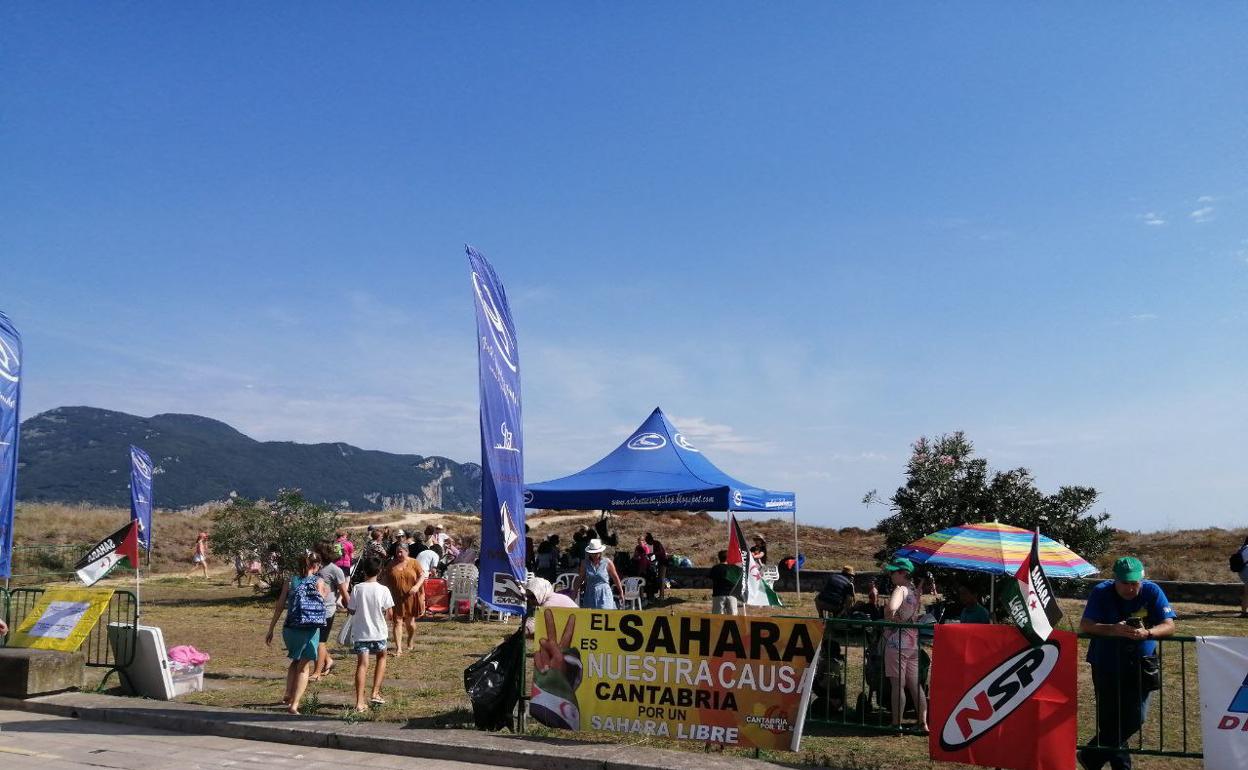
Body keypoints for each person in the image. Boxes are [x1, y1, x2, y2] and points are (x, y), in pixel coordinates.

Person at [1078, 556, 1177, 770]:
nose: (1130, 588)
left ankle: (1090, 756)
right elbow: (1086, 624)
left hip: (1142, 664)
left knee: (1135, 717)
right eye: (1125, 583)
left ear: (1142, 579)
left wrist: (1148, 632)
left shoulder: (1152, 591)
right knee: (1109, 720)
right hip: (1106, 662)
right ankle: (1121, 767)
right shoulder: (1101, 592)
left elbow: (1169, 626)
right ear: (1115, 579)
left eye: (1134, 583)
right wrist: (1112, 629)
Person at [264, 552, 329, 714]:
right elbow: (323, 601)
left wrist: (271, 628)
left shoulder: (290, 581)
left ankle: (288, 692)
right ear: (315, 565)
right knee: (304, 667)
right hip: (309, 628)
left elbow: (280, 605)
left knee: (295, 660)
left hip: (290, 628)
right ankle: (294, 704)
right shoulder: (319, 581)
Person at [882, 556, 927, 732]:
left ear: (902, 573)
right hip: (913, 643)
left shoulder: (900, 589)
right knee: (915, 685)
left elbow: (892, 608)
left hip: (896, 643)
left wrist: (888, 614)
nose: (891, 575)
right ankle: (923, 723)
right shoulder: (916, 593)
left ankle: (896, 723)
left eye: (893, 571)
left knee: (897, 686)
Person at [347, 556, 393, 711]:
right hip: (379, 631)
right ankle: (375, 692)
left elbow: (351, 609)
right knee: (381, 658)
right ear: (380, 571)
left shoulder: (357, 588)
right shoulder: (383, 589)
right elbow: (390, 613)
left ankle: (359, 702)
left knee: (362, 665)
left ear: (364, 570)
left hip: (361, 632)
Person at [311, 541, 350, 681]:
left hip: (327, 610)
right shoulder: (315, 567)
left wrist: (351, 608)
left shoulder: (334, 570)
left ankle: (317, 672)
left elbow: (344, 592)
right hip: (313, 609)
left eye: (315, 551)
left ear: (322, 553)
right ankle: (328, 661)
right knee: (314, 639)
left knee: (320, 641)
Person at [381, 545, 426, 654]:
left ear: (407, 551)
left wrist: (416, 587)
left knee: (410, 623)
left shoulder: (414, 562)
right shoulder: (391, 564)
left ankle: (410, 639)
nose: (399, 554)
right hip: (396, 597)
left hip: (410, 597)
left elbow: (422, 575)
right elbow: (385, 578)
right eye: (397, 552)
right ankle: (399, 648)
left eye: (401, 552)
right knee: (397, 622)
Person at [577, 538, 624, 609]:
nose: (594, 555)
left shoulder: (607, 562)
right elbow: (580, 579)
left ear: (600, 552)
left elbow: (615, 578)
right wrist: (574, 592)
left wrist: (621, 592)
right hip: (590, 594)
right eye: (592, 553)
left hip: (604, 593)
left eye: (596, 553)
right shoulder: (584, 563)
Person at [708, 550, 740, 615]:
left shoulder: (715, 568)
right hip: (732, 594)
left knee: (717, 617)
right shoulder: (733, 568)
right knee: (733, 617)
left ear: (719, 558)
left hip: (718, 594)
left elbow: (711, 579)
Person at [644, 533, 668, 601]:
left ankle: (662, 596)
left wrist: (653, 554)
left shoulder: (657, 543)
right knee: (659, 578)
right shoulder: (652, 545)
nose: (647, 543)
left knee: (661, 579)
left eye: (647, 541)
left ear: (650, 540)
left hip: (663, 562)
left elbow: (660, 552)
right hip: (659, 562)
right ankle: (660, 595)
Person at [1236, 536, 1248, 618]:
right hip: (1247, 571)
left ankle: (1244, 612)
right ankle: (1243, 612)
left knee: (1247, 593)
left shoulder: (1242, 548)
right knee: (1247, 593)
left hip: (1242, 571)